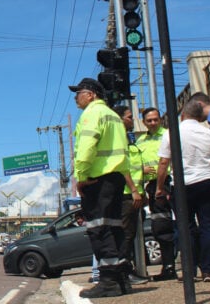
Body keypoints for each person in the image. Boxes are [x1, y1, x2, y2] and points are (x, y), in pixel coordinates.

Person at [156, 99, 210, 283]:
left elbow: (164, 162)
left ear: (183, 115)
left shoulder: (172, 133)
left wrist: (159, 186)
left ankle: (190, 270)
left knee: (186, 227)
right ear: (199, 117)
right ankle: (208, 271)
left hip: (183, 183)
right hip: (207, 181)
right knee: (207, 225)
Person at [70, 78, 132, 298]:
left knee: (99, 229)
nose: (76, 96)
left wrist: (82, 177)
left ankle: (108, 281)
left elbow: (86, 148)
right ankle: (122, 279)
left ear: (92, 94)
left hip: (98, 179)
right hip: (116, 178)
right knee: (115, 228)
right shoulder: (114, 116)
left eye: (79, 92)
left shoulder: (92, 114)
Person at [136, 107, 176, 281]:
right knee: (159, 226)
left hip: (169, 182)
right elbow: (136, 164)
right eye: (149, 120)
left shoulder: (168, 135)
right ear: (143, 122)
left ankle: (172, 267)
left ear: (160, 119)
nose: (152, 123)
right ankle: (167, 267)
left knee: (173, 225)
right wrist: (141, 169)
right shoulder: (141, 141)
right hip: (152, 185)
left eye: (155, 119)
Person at [113, 105, 147, 286]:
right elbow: (122, 166)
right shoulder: (119, 139)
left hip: (135, 194)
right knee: (126, 235)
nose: (132, 120)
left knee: (130, 234)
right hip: (126, 195)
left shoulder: (128, 138)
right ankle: (125, 273)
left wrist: (141, 191)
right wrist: (134, 190)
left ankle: (128, 270)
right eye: (128, 117)